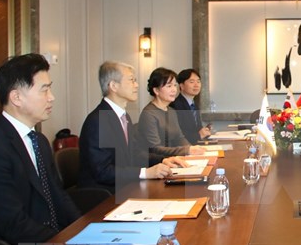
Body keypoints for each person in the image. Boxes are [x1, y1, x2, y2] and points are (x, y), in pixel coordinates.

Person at [0, 54, 80, 245]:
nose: (51, 97)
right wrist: (63, 243)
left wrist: (83, 230)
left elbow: (58, 196)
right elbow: (13, 223)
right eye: (44, 90)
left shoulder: (39, 140)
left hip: (51, 242)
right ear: (16, 97)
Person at [79, 61, 185, 194]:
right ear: (113, 86)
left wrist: (163, 160)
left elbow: (134, 153)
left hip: (126, 188)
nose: (137, 85)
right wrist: (145, 172)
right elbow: (103, 172)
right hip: (104, 197)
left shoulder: (124, 117)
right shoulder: (99, 120)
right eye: (132, 80)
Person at [138, 67, 205, 158]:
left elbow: (179, 137)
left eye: (175, 85)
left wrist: (191, 149)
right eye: (169, 86)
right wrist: (186, 150)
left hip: (174, 158)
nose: (174, 90)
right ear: (156, 90)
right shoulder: (149, 114)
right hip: (158, 163)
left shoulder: (171, 111)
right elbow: (155, 148)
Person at [170, 68, 211, 144]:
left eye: (198, 81)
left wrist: (204, 131)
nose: (196, 85)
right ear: (181, 86)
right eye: (192, 82)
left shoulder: (194, 105)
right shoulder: (175, 106)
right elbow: (177, 137)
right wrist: (199, 135)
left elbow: (196, 128)